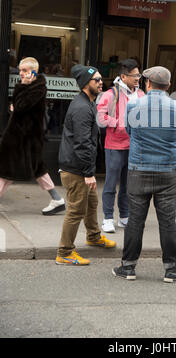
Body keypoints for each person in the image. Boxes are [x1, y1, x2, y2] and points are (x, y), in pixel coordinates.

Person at [112, 66, 176, 283]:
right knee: (167, 221)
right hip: (168, 170)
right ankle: (171, 269)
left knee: (135, 220)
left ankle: (128, 267)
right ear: (168, 86)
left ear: (148, 83)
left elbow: (129, 130)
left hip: (139, 169)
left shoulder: (134, 104)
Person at [56, 65, 116, 266]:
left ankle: (93, 236)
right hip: (76, 170)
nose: (101, 82)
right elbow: (82, 144)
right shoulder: (82, 107)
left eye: (100, 79)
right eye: (96, 80)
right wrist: (88, 173)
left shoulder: (89, 102)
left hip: (80, 167)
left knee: (91, 203)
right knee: (75, 210)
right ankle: (64, 252)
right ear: (85, 84)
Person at [0, 57, 65, 215]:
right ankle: (57, 199)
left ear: (33, 72)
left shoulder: (37, 88)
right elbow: (18, 107)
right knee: (36, 169)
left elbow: (20, 106)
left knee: (5, 170)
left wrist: (22, 89)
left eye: (25, 70)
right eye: (20, 70)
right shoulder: (33, 87)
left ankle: (57, 200)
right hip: (23, 137)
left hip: (23, 138)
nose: (21, 73)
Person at [97, 59, 144, 233]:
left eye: (139, 75)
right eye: (134, 75)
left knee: (127, 185)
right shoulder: (111, 94)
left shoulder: (141, 95)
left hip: (133, 147)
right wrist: (120, 123)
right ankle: (108, 218)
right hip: (114, 146)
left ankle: (124, 216)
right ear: (123, 76)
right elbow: (100, 118)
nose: (138, 78)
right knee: (110, 184)